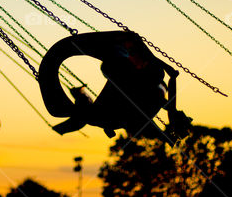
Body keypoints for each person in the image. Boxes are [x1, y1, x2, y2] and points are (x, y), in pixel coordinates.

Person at [38, 31, 185, 143]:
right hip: (133, 77)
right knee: (70, 111)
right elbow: (168, 99)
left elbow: (168, 99)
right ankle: (82, 97)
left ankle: (81, 97)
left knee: (67, 111)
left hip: (128, 82)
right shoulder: (148, 86)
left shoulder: (118, 112)